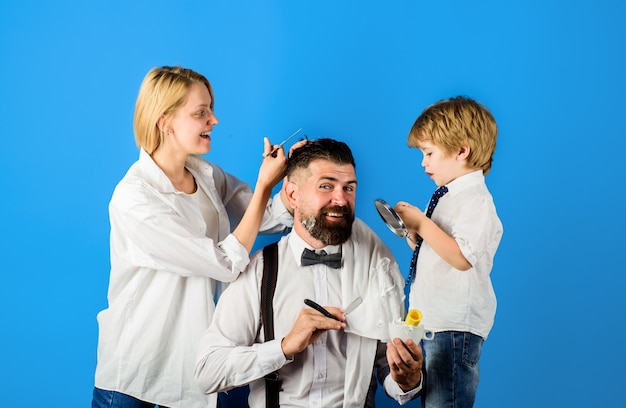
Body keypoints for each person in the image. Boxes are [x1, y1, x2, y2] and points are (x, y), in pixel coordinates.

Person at [92, 66, 300, 408]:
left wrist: (294, 187)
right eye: (201, 113)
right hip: (136, 373)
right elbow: (225, 262)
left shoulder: (206, 174)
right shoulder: (135, 199)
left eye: (211, 109)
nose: (214, 120)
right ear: (165, 122)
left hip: (190, 369)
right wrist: (265, 184)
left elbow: (258, 216)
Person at [195, 138, 424, 408]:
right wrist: (284, 347)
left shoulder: (376, 264)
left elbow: (387, 364)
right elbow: (207, 371)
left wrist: (408, 379)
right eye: (326, 186)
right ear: (293, 195)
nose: (341, 199)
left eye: (348, 188)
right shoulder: (259, 271)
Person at [393, 96, 504, 408]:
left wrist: (423, 223)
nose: (423, 162)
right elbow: (439, 250)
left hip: (453, 329)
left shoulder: (476, 200)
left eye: (429, 153)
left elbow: (461, 258)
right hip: (432, 324)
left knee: (446, 402)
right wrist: (414, 232)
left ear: (461, 151)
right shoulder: (448, 195)